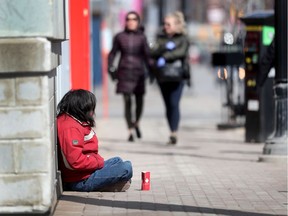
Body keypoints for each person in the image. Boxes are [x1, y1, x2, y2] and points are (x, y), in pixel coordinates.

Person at [57, 89, 133, 192]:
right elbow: (74, 161)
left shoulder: (72, 120)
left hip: (85, 171)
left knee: (117, 160)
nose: (92, 112)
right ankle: (111, 183)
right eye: (90, 109)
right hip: (79, 180)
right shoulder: (70, 128)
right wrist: (97, 162)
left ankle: (113, 182)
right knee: (126, 167)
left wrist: (97, 162)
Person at [108, 11, 152, 142]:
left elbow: (147, 56)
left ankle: (137, 122)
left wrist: (153, 70)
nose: (131, 21)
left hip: (139, 73)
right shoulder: (119, 37)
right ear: (125, 21)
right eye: (128, 19)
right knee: (127, 102)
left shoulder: (142, 37)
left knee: (139, 101)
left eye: (134, 19)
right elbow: (112, 54)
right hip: (124, 72)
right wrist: (111, 69)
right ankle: (130, 130)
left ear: (138, 22)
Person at [150, 11, 190, 145]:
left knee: (174, 103)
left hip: (178, 76)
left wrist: (165, 56)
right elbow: (152, 51)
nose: (165, 26)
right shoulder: (160, 37)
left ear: (176, 25)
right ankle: (171, 130)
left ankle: (174, 132)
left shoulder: (183, 38)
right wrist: (163, 47)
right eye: (165, 24)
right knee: (167, 105)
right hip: (163, 76)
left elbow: (181, 52)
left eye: (168, 24)